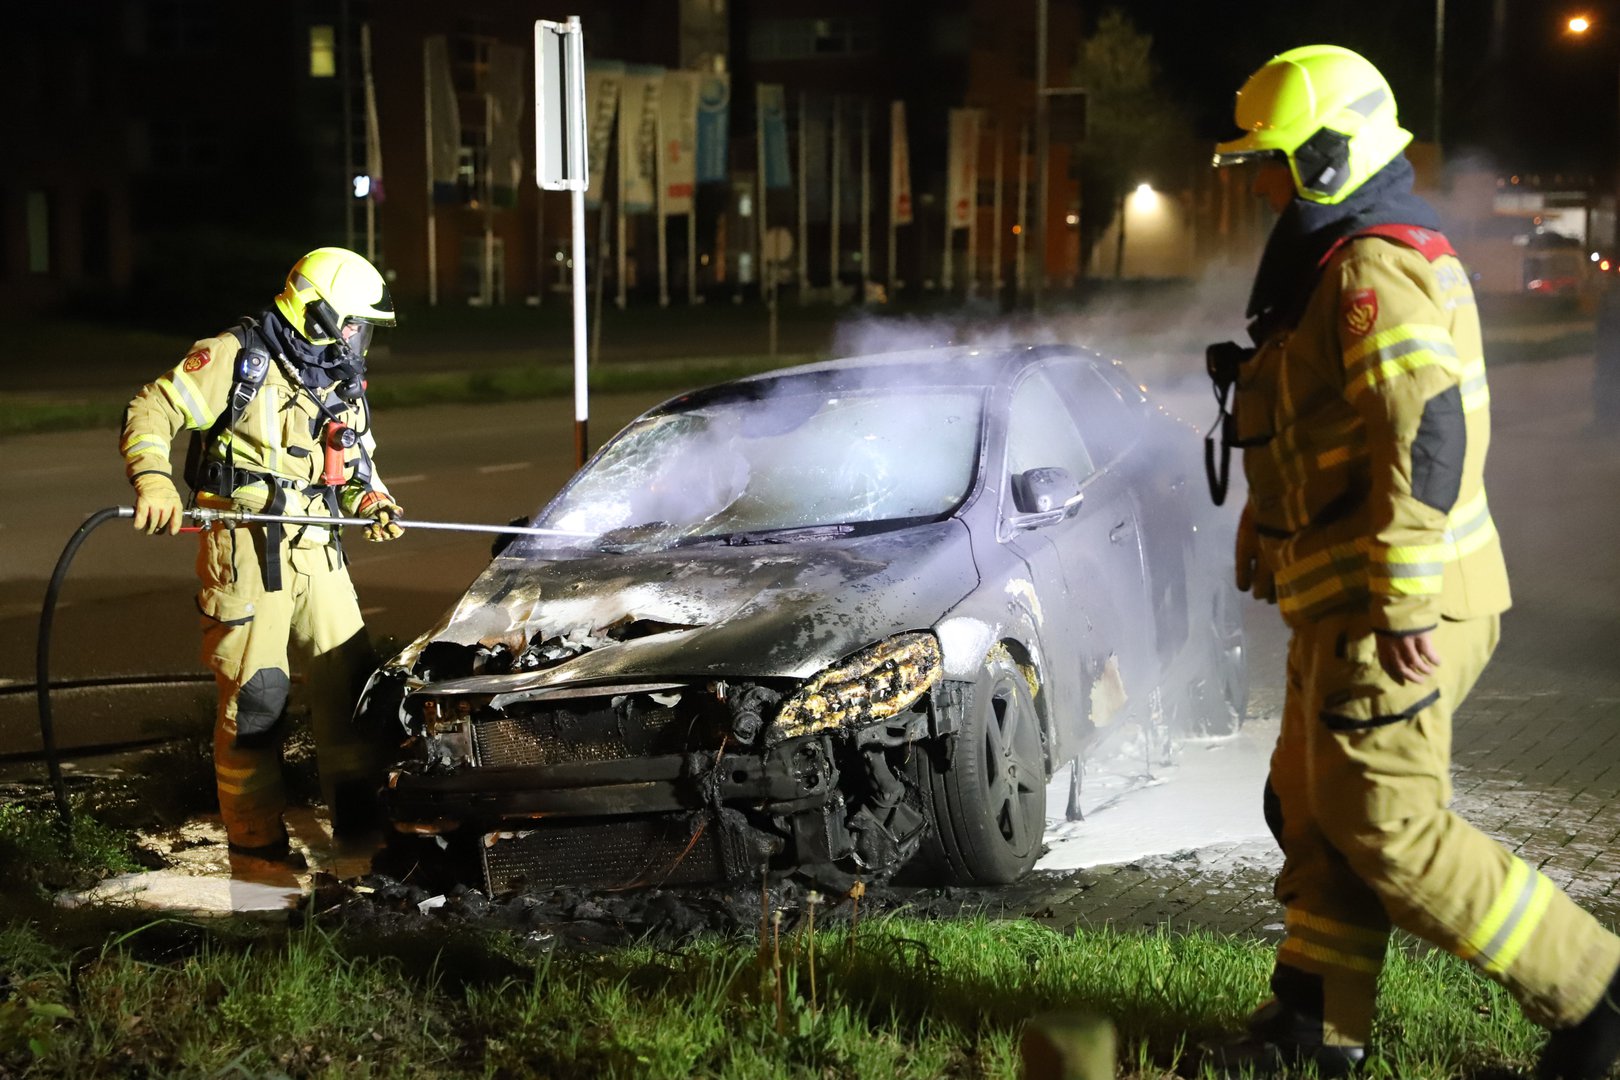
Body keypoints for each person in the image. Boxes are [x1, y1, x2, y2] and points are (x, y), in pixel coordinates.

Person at [1210, 45, 1620, 1078]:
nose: (1265, 185)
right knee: (1312, 810)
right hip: (1348, 598)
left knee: (1386, 824)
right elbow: (1324, 425)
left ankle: (1599, 995)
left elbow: (1426, 434)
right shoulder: (1332, 266)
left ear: (1331, 157)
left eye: (1280, 161)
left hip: (1396, 604)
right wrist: (1266, 528)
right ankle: (1314, 1027)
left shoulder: (1369, 272)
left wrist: (1401, 603)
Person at [121, 247, 405, 871]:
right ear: (322, 313)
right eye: (355, 323)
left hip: (319, 550)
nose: (359, 338)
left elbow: (349, 458)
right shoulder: (236, 356)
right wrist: (155, 482)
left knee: (352, 695)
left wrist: (371, 498)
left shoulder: (336, 373)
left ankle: (361, 840)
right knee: (257, 705)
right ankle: (259, 859)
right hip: (247, 551)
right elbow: (152, 408)